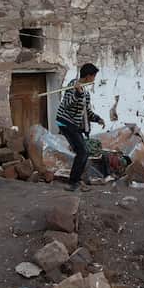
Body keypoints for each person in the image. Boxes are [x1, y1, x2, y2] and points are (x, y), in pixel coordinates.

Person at [55, 63, 104, 192]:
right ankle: (73, 182)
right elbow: (66, 104)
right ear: (88, 76)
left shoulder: (85, 91)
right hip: (66, 123)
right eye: (94, 76)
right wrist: (77, 93)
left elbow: (86, 111)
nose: (94, 79)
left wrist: (98, 119)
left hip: (74, 125)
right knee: (82, 152)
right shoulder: (73, 85)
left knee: (84, 152)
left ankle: (76, 180)